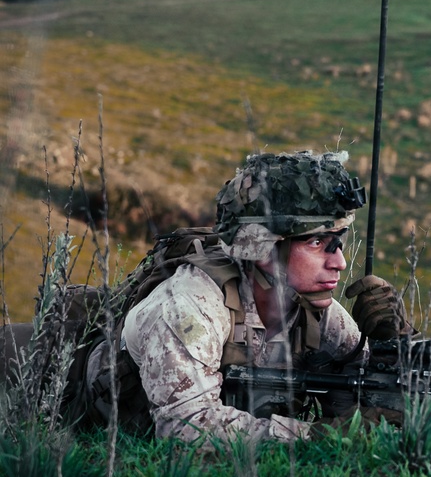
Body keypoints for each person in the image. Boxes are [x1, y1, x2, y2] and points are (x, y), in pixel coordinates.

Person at [81, 150, 408, 442]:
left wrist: (391, 345)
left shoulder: (312, 308)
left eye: (340, 241)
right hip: (68, 403)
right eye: (317, 243)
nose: (340, 262)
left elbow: (369, 385)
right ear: (263, 248)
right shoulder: (188, 308)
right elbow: (186, 430)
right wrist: (318, 436)